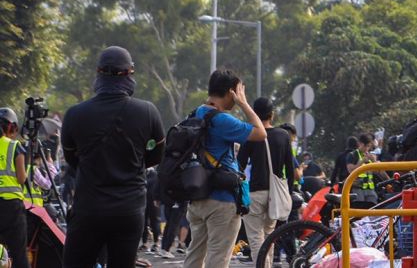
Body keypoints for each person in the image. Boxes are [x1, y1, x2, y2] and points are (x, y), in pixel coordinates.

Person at [61, 46, 166, 268]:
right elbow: (157, 155)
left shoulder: (75, 114)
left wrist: (95, 165)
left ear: (98, 73)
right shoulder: (147, 111)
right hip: (129, 210)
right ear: (129, 73)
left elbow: (72, 161)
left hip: (88, 208)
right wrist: (133, 164)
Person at [183, 70, 267, 268]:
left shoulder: (194, 114)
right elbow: (261, 133)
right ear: (232, 92)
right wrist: (244, 104)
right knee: (218, 260)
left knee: (194, 257)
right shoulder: (222, 120)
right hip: (222, 200)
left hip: (197, 197)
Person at [236, 98, 296, 268]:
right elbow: (290, 169)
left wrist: (240, 189)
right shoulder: (283, 136)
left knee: (255, 238)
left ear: (253, 113)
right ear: (272, 114)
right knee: (269, 235)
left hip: (254, 193)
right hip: (275, 194)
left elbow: (239, 164)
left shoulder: (251, 134)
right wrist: (288, 193)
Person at [0, 107, 29, 268]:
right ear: (11, 127)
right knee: (19, 255)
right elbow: (21, 178)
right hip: (12, 209)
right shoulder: (14, 146)